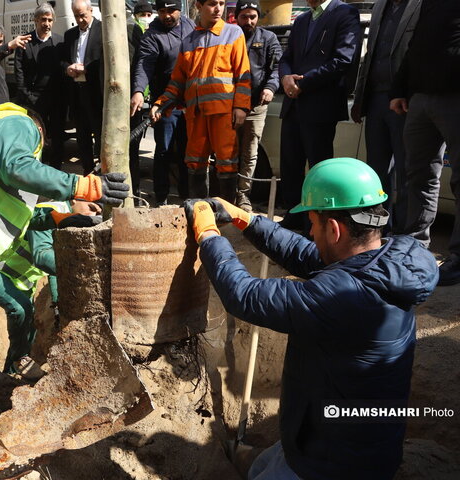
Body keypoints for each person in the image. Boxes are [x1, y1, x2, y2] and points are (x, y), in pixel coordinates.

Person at [185, 157, 438, 480]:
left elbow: (245, 295)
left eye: (314, 225)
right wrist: (246, 220)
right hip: (349, 442)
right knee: (262, 465)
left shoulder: (343, 297)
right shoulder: (389, 260)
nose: (312, 234)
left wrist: (208, 236)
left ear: (333, 229)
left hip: (334, 464)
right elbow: (308, 256)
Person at [0, 102, 129, 449]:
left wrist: (59, 220)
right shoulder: (18, 121)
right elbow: (19, 168)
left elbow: (20, 206)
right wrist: (85, 186)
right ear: (39, 131)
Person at [389, 1, 460, 286]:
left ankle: (457, 258)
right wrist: (400, 90)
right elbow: (415, 46)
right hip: (420, 99)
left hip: (456, 96)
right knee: (418, 175)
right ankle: (415, 246)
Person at [151, 0, 251, 200]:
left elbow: (244, 75)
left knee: (226, 163)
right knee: (194, 162)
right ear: (198, 5)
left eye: (222, 3)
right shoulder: (189, 41)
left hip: (223, 113)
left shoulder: (233, 33)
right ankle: (199, 212)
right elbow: (177, 81)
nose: (218, 9)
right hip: (196, 115)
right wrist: (160, 103)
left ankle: (226, 215)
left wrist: (241, 106)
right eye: (212, 4)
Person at [0, 199, 101, 376]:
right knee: (20, 310)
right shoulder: (50, 211)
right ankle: (20, 361)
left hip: (21, 281)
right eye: (91, 207)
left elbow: (56, 270)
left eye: (98, 212)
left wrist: (59, 303)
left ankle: (9, 376)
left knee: (28, 329)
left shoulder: (74, 224)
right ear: (75, 198)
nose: (93, 214)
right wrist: (82, 270)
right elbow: (42, 256)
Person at [277, 0, 361, 230]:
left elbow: (343, 60)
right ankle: (294, 216)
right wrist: (285, 78)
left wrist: (304, 84)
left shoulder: (344, 13)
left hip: (320, 105)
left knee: (319, 168)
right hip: (293, 104)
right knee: (290, 166)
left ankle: (318, 224)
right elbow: (286, 58)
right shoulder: (303, 19)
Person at [351, 0, 421, 232]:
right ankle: (379, 227)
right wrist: (360, 99)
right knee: (376, 171)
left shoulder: (421, 5)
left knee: (406, 172)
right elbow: (370, 56)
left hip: (406, 103)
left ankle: (402, 233)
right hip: (376, 101)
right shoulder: (380, 6)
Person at [131, 0, 194, 206]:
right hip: (166, 104)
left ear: (180, 10)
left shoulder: (190, 26)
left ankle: (187, 195)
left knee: (189, 151)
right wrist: (139, 91)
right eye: (162, 11)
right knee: (164, 151)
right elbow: (144, 65)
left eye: (171, 11)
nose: (167, 15)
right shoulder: (152, 35)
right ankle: (161, 196)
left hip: (193, 102)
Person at [233, 1, 281, 212]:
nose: (249, 21)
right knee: (227, 151)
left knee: (250, 153)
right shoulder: (229, 36)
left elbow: (279, 66)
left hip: (256, 106)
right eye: (244, 16)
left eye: (252, 16)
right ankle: (225, 192)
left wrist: (271, 87)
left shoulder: (268, 38)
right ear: (236, 17)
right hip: (230, 105)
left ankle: (243, 195)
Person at [15, 3, 66, 170]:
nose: (47, 23)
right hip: (34, 99)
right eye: (43, 19)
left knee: (57, 136)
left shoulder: (59, 42)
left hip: (57, 99)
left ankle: (56, 171)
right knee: (36, 137)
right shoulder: (26, 42)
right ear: (35, 20)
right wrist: (27, 95)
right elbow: (19, 71)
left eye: (50, 20)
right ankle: (37, 170)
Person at [61, 0, 104, 175]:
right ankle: (87, 172)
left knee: (100, 136)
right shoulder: (70, 35)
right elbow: (62, 59)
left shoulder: (102, 30)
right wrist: (67, 68)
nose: (80, 20)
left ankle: (103, 175)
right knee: (82, 137)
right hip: (77, 93)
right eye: (76, 16)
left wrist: (86, 68)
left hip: (96, 93)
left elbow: (104, 61)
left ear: (91, 11)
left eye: (83, 15)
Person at [127, 0, 153, 199]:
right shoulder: (130, 32)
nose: (146, 18)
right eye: (143, 14)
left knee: (135, 147)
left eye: (148, 14)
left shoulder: (150, 33)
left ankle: (135, 188)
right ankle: (132, 189)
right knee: (131, 147)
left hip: (147, 99)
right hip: (132, 98)